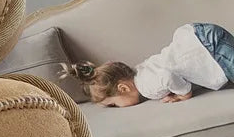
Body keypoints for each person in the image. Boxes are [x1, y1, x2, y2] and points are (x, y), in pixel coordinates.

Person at [63, 22, 234, 107]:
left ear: (123, 88)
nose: (117, 107)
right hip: (198, 35)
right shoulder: (140, 71)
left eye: (113, 104)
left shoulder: (146, 88)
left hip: (209, 49)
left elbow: (167, 76)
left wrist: (184, 94)